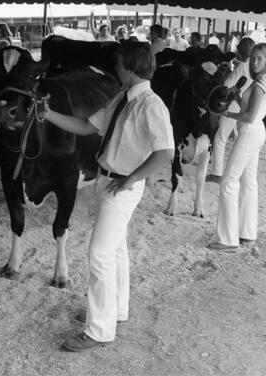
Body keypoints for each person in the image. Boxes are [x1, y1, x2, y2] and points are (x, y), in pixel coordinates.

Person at [44, 41, 174, 351]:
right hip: (108, 179)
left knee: (99, 254)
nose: (115, 68)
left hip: (122, 186)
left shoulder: (150, 104)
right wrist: (48, 114)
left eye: (118, 64)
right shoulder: (121, 98)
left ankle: (99, 330)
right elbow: (86, 127)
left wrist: (131, 178)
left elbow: (165, 152)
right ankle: (115, 310)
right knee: (115, 251)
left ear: (130, 67)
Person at [208, 43, 266, 252]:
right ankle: (247, 231)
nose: (254, 62)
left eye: (260, 59)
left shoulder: (259, 84)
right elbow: (251, 109)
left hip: (249, 130)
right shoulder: (264, 80)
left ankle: (227, 239)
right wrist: (237, 96)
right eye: (253, 58)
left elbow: (249, 115)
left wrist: (228, 114)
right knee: (249, 181)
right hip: (255, 131)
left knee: (228, 181)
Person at [207, 37, 255, 183]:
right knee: (239, 136)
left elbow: (227, 84)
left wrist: (227, 72)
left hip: (233, 103)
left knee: (220, 138)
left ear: (241, 50)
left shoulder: (242, 67)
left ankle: (217, 172)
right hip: (246, 104)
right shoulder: (252, 66)